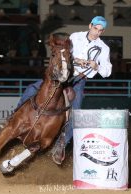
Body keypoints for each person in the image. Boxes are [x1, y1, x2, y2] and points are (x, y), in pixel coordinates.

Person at [15, 16, 112, 164]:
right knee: (31, 88)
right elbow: (64, 53)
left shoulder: (104, 48)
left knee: (76, 114)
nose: (96, 32)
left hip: (79, 80)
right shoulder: (75, 37)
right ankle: (14, 116)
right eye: (95, 28)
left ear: (102, 31)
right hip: (64, 75)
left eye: (100, 30)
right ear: (90, 25)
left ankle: (62, 144)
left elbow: (107, 72)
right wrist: (76, 60)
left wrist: (96, 66)